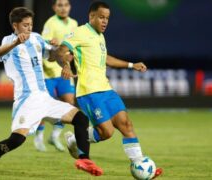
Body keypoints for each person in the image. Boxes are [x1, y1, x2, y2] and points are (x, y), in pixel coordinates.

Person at [0, 7, 102, 179]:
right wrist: (15, 43)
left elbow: (51, 56)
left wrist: (57, 50)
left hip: (44, 97)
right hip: (27, 100)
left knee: (80, 118)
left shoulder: (36, 38)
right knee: (16, 140)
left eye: (30, 24)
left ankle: (84, 160)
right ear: (15, 25)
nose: (29, 28)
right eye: (25, 25)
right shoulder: (9, 41)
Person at [55, 1, 163, 178]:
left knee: (126, 124)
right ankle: (75, 139)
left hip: (106, 89)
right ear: (92, 16)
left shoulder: (100, 36)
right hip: (89, 92)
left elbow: (106, 59)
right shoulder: (81, 32)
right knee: (107, 132)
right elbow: (61, 51)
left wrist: (131, 65)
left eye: (107, 18)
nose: (105, 21)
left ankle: (140, 165)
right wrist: (66, 65)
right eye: (101, 17)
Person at [32, 0, 78, 152]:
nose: (63, 8)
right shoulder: (50, 23)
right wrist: (51, 42)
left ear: (70, 7)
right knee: (44, 107)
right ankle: (38, 137)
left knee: (69, 104)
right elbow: (42, 42)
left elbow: (75, 45)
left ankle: (54, 136)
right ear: (54, 8)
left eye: (66, 5)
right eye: (60, 5)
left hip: (64, 71)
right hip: (48, 72)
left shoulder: (74, 23)